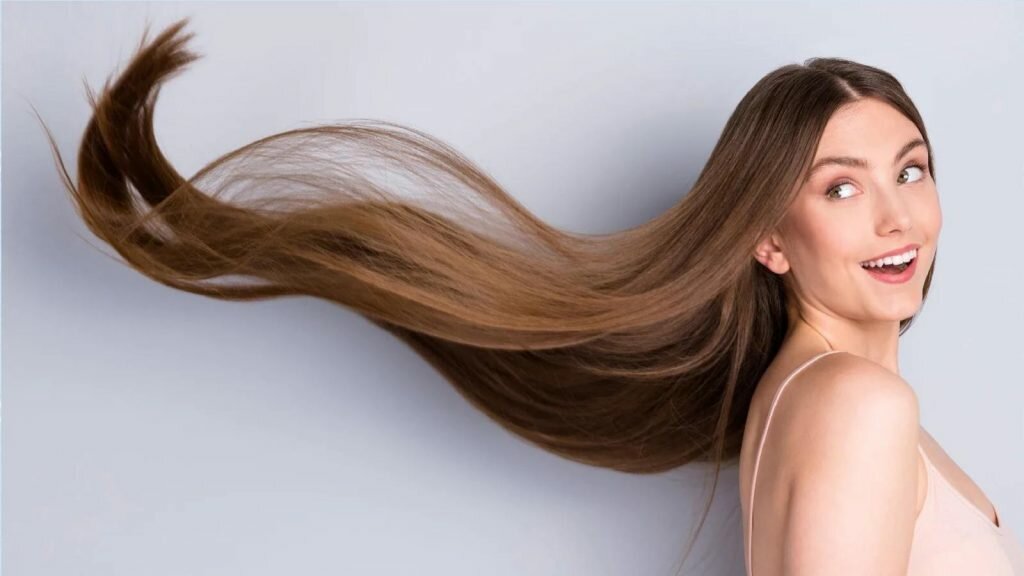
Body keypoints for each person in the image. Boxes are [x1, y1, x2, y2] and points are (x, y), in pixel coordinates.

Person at [35, 16, 1024, 576]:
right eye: (840, 188)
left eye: (911, 169)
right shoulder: (855, 406)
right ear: (766, 237)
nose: (897, 219)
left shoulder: (816, 396)